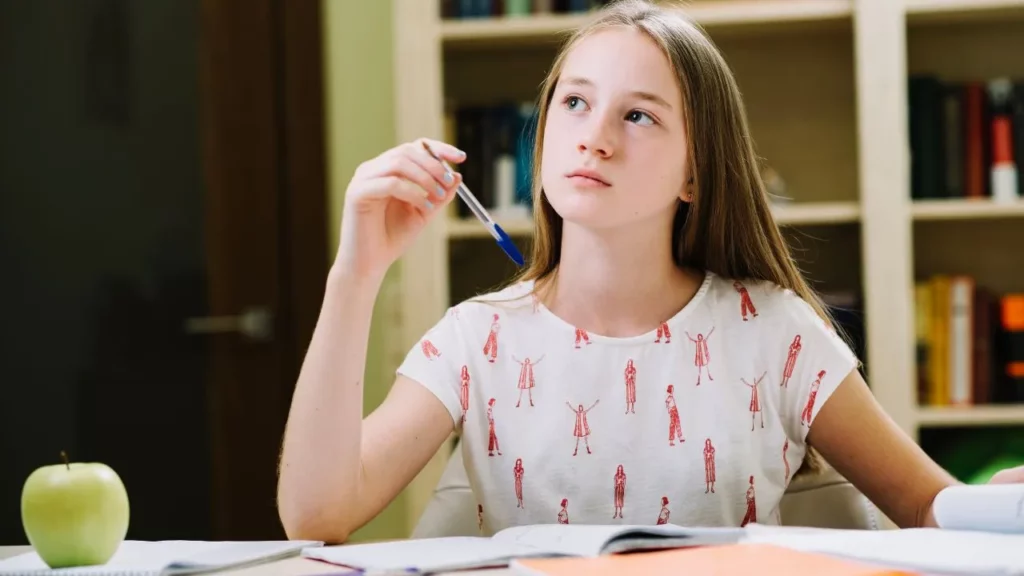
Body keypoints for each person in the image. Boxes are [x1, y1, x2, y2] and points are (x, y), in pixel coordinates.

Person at [276, 0, 1024, 543]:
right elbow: (317, 515)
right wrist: (356, 272)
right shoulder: (476, 338)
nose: (593, 138)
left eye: (638, 116)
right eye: (574, 103)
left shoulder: (775, 330)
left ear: (695, 175)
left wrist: (999, 503)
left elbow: (929, 506)